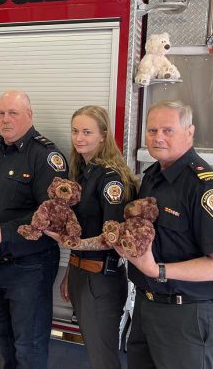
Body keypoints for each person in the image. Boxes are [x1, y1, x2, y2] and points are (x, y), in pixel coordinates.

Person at [122, 100, 213, 369]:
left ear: (190, 132)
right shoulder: (153, 176)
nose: (157, 137)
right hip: (146, 306)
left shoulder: (207, 189)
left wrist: (157, 270)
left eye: (168, 130)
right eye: (152, 131)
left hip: (187, 315)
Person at [0, 90, 67, 369]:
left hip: (29, 267)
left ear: (29, 116)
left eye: (13, 113)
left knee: (28, 345)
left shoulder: (46, 156)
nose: (5, 119)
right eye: (1, 113)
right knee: (2, 336)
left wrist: (3, 233)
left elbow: (52, 216)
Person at [46, 105, 138, 369]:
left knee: (103, 358)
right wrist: (70, 270)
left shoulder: (111, 179)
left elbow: (113, 237)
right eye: (75, 131)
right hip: (81, 274)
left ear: (103, 135)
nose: (79, 138)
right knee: (94, 351)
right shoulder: (84, 173)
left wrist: (72, 244)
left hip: (101, 280)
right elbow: (83, 227)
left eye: (87, 132)